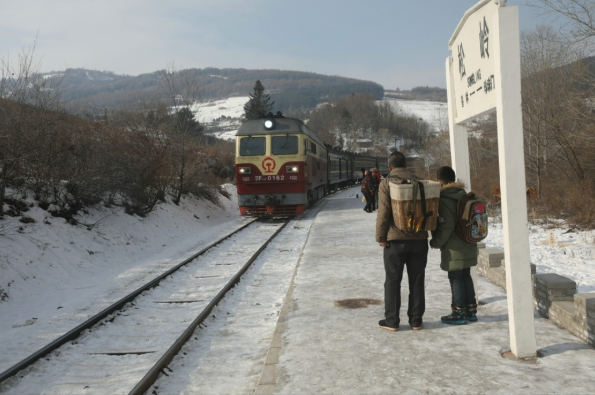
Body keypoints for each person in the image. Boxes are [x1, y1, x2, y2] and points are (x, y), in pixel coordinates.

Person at [376, 151, 429, 331]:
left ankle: (392, 321)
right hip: (419, 238)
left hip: (395, 240)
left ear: (390, 167)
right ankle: (416, 321)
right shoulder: (420, 181)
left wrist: (381, 237)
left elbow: (384, 212)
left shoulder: (386, 183)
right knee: (417, 280)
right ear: (406, 165)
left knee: (392, 280)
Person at [429, 166, 478, 325]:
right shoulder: (463, 195)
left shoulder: (444, 199)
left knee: (456, 277)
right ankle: (471, 310)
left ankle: (458, 312)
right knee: (465, 275)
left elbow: (447, 226)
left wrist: (436, 242)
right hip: (468, 242)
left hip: (454, 246)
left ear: (440, 181)